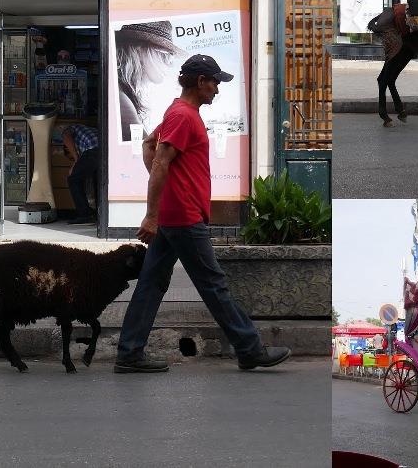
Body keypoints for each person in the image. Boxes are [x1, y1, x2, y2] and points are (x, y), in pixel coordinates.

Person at [115, 54, 291, 373]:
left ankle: (129, 353)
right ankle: (249, 348)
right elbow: (159, 161)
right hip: (183, 217)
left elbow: (148, 146)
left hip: (174, 214)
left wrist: (160, 206)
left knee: (151, 283)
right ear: (200, 82)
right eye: (214, 83)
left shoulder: (177, 112)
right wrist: (151, 215)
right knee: (213, 285)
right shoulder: (184, 116)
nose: (217, 90)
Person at [115, 20, 186, 142]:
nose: (170, 63)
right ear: (138, 48)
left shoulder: (122, 93)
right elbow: (148, 155)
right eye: (166, 54)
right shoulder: (120, 99)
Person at [61, 124, 99, 225]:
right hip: (106, 150)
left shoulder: (70, 129)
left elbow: (66, 137)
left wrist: (76, 159)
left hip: (94, 150)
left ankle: (84, 215)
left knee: (73, 179)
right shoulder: (90, 129)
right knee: (98, 182)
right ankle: (99, 213)